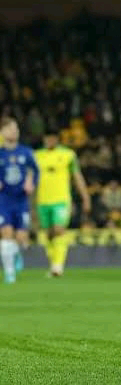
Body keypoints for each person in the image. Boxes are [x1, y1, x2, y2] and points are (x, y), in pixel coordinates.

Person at [35, 127, 91, 277]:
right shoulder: (36, 156)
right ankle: (53, 263)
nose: (50, 140)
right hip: (42, 200)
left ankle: (58, 266)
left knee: (59, 230)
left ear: (57, 139)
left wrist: (85, 197)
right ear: (44, 139)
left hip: (61, 200)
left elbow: (77, 177)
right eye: (48, 138)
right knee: (48, 234)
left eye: (53, 137)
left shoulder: (68, 155)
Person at [0, 117, 39, 283]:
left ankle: (16, 253)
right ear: (2, 132)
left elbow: (36, 171)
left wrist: (32, 182)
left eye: (15, 128)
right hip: (3, 200)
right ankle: (9, 274)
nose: (14, 131)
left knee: (22, 237)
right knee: (6, 234)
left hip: (21, 200)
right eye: (10, 128)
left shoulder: (26, 152)